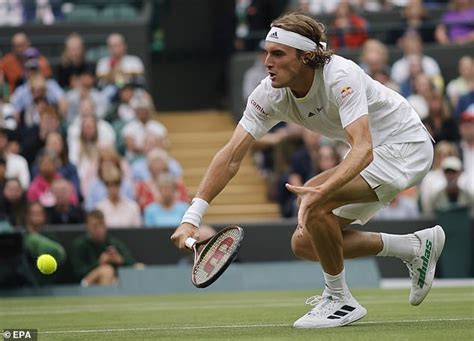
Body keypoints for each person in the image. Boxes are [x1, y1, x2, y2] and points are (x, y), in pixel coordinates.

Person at [171, 12, 446, 329]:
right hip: (374, 154)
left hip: (405, 147)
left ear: (306, 57)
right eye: (266, 53)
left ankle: (339, 299)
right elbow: (232, 155)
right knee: (303, 242)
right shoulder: (268, 94)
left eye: (277, 54)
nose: (267, 62)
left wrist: (322, 193)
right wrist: (191, 218)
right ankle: (414, 247)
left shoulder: (341, 76)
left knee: (316, 205)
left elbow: (362, 148)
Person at [71, 209, 137, 286]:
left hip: (113, 280)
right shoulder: (80, 245)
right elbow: (78, 272)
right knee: (107, 270)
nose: (99, 229)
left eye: (101, 225)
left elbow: (132, 262)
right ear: (87, 227)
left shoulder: (113, 242)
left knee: (139, 267)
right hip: (85, 284)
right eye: (95, 226)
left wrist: (120, 260)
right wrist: (99, 262)